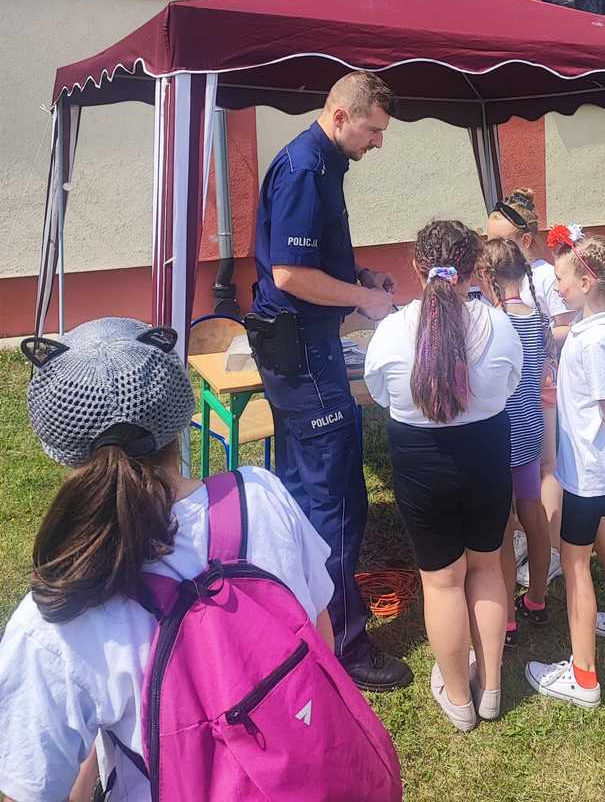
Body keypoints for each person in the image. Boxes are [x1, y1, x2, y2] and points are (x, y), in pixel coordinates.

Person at [0, 317, 336, 802]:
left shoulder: (58, 613)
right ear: (180, 418)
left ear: (59, 446)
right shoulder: (263, 496)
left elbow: (31, 786)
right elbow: (319, 638)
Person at [250, 71, 411, 692]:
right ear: (341, 116)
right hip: (304, 355)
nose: (379, 142)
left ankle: (300, 617)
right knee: (335, 498)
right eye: (373, 130)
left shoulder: (325, 163)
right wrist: (363, 301)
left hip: (302, 349)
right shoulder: (304, 168)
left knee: (299, 492)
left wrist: (358, 275)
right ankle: (345, 644)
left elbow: (309, 255)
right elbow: (290, 274)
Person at [364, 221, 523, 731]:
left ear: (417, 267)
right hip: (486, 454)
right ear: (475, 269)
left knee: (441, 582)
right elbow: (511, 384)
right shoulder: (499, 326)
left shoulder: (391, 331)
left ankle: (458, 699)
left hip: (421, 462)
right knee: (487, 569)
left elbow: (381, 394)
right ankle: (491, 689)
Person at [525, 230, 605, 709]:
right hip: (593, 469)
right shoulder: (590, 329)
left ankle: (583, 678)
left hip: (587, 474)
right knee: (603, 538)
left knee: (575, 563)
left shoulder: (595, 342)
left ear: (585, 283)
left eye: (561, 279)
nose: (556, 286)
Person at [485, 187, 573, 587]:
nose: (492, 249)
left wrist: (535, 340)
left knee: (546, 465)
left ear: (523, 241)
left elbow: (567, 324)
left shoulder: (545, 277)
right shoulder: (515, 280)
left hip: (541, 381)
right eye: (488, 241)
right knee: (526, 472)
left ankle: (550, 548)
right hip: (523, 386)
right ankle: (528, 538)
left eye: (499, 241)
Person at [480, 238, 553, 646]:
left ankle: (507, 617)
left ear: (487, 276)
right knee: (533, 514)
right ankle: (537, 600)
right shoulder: (537, 319)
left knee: (504, 527)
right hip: (530, 431)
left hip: (500, 436)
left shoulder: (494, 323)